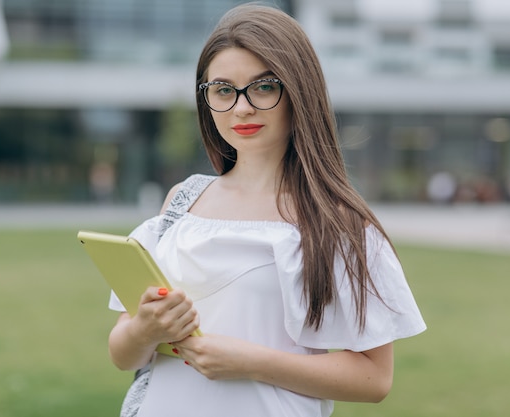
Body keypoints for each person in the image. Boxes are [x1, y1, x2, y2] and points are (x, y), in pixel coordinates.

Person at [107, 4, 426, 417]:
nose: (241, 108)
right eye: (223, 90)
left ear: (298, 91)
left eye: (263, 87)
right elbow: (123, 354)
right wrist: (144, 329)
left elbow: (375, 379)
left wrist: (251, 363)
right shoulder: (180, 204)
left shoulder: (337, 223)